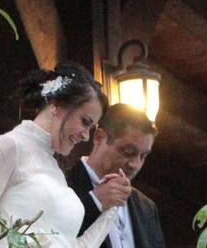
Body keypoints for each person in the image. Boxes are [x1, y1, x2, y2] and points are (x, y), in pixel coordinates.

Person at [0, 62, 132, 247]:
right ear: (57, 106)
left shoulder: (57, 172)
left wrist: (111, 210)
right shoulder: (10, 146)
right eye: (85, 122)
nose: (86, 136)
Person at [67, 104, 165, 248]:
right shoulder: (61, 183)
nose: (135, 164)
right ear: (99, 137)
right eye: (127, 151)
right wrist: (94, 202)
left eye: (143, 156)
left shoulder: (147, 207)